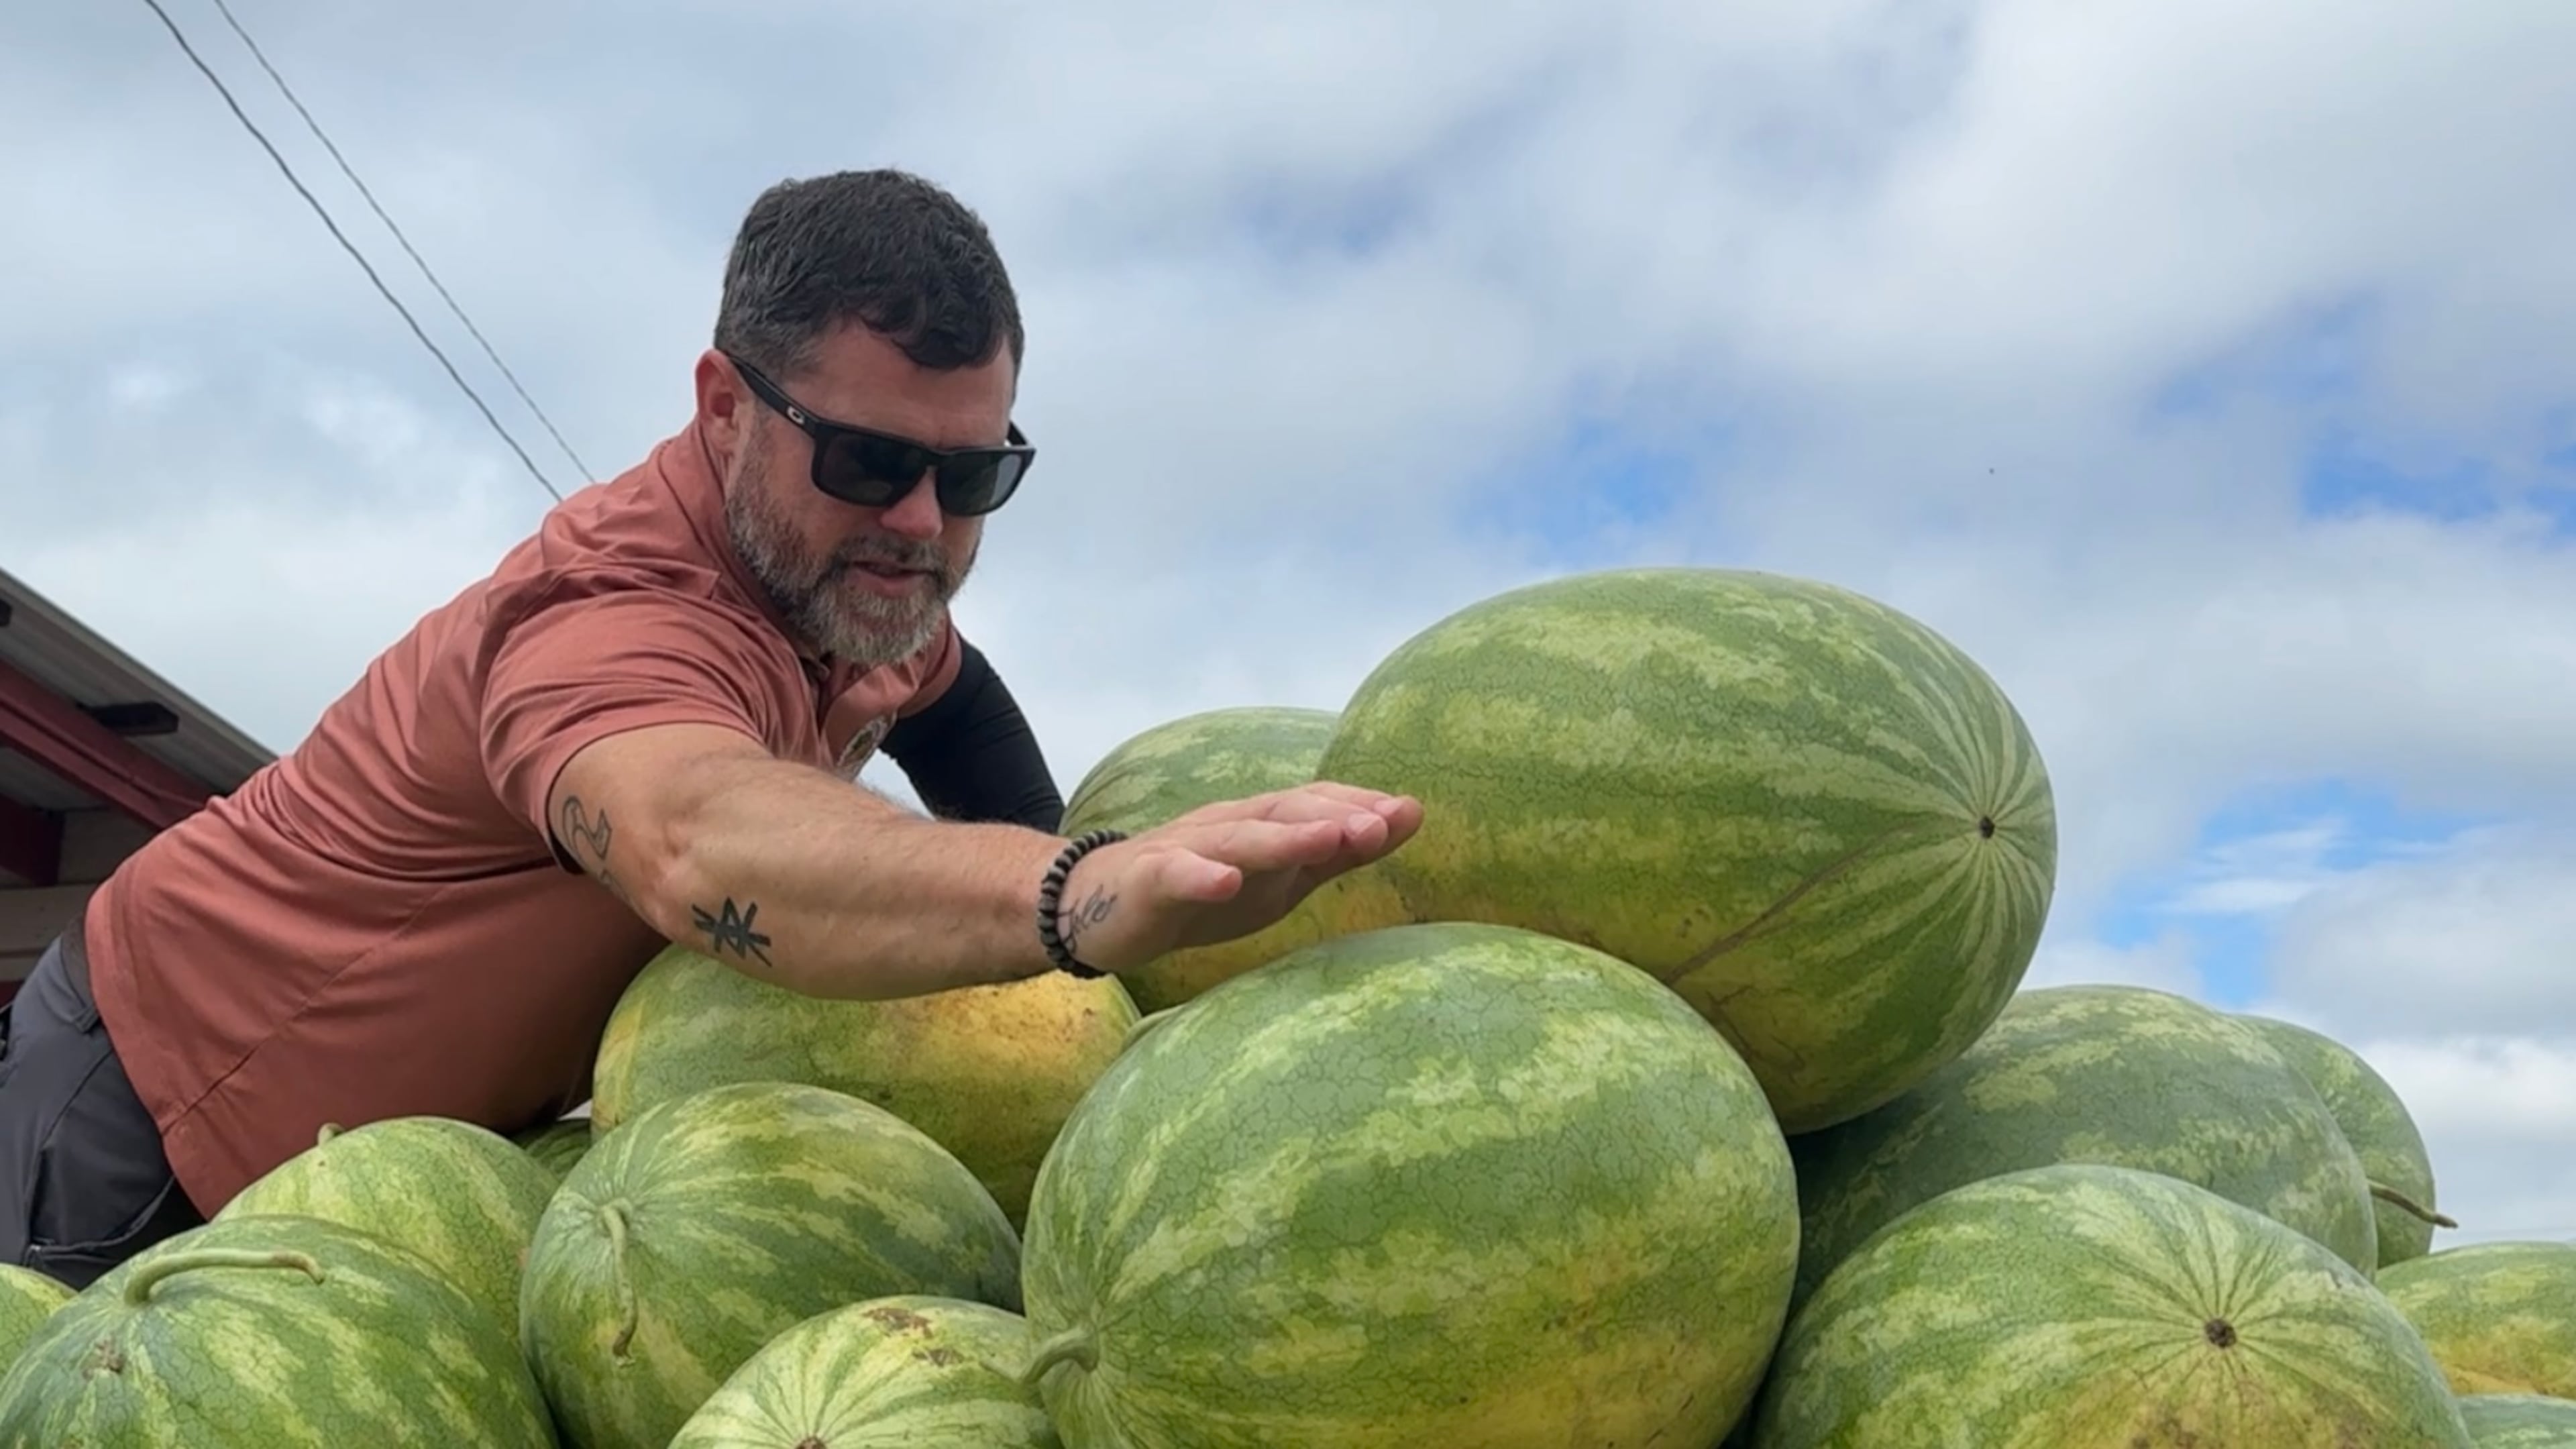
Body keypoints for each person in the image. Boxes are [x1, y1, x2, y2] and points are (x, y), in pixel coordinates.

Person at [0, 168, 1421, 1288]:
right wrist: (1078, 892)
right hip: (160, 1094)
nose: (921, 525)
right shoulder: (602, 617)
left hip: (409, 1164)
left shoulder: (847, 583)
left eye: (974, 474)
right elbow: (697, 839)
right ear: (724, 406)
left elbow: (955, 691)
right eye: (870, 460)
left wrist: (1082, 980)